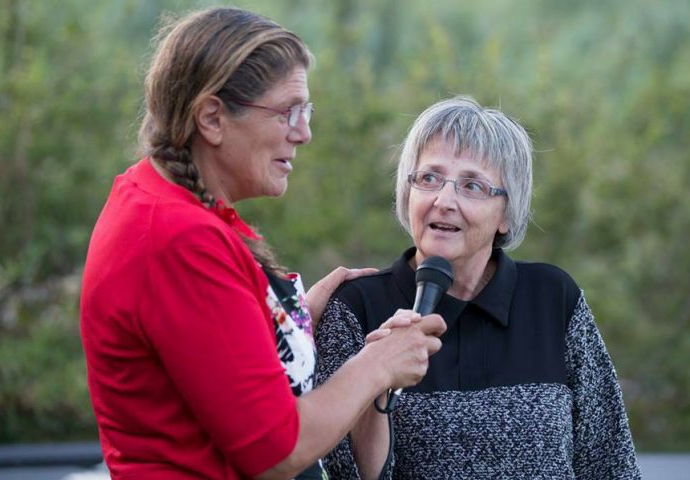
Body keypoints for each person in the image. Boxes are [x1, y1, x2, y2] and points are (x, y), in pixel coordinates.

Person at [79, 8, 446, 480]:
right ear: (212, 117)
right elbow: (277, 450)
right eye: (288, 111)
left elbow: (209, 361)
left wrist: (290, 323)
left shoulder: (155, 198)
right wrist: (378, 365)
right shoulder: (180, 240)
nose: (304, 132)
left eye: (307, 111)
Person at [316, 96, 642, 479]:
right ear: (408, 193)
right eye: (429, 178)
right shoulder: (358, 307)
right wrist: (377, 377)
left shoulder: (553, 298)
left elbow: (609, 461)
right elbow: (342, 472)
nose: (443, 200)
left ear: (506, 213)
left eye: (471, 185)